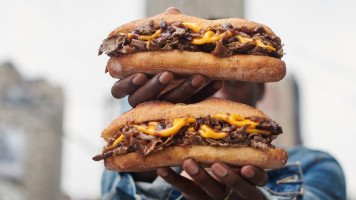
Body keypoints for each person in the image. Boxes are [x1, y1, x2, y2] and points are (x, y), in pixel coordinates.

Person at [102, 72, 346, 200]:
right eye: (204, 85)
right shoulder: (125, 171)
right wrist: (145, 158)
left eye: (235, 82)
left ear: (260, 88)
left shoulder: (315, 164)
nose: (220, 96)